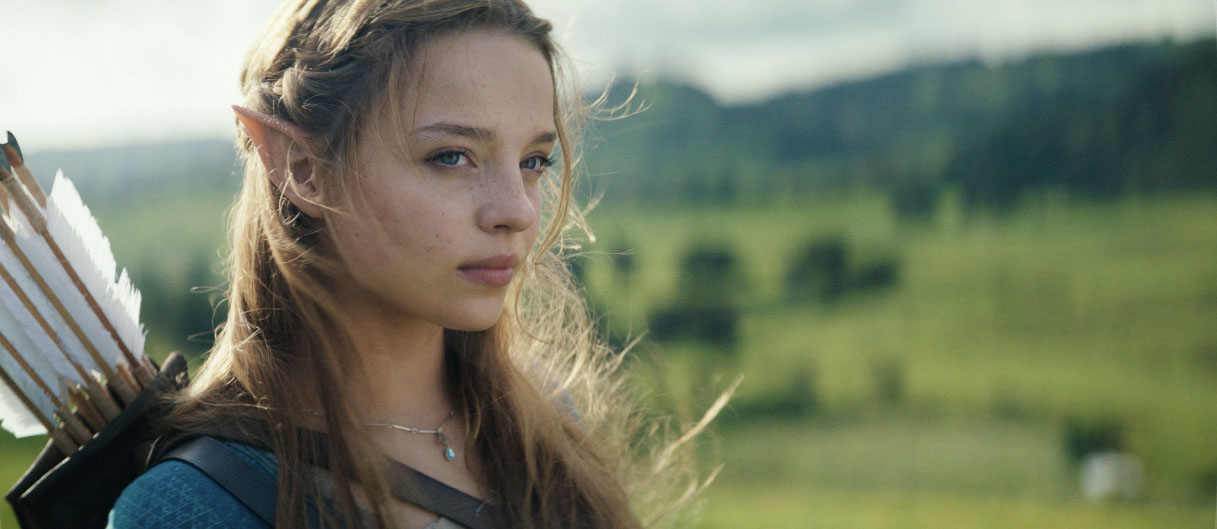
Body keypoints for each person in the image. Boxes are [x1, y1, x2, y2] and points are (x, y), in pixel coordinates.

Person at [105, 1, 706, 527]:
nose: (518, 211)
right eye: (451, 156)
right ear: (301, 168)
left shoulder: (545, 424)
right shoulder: (192, 506)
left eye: (534, 161)